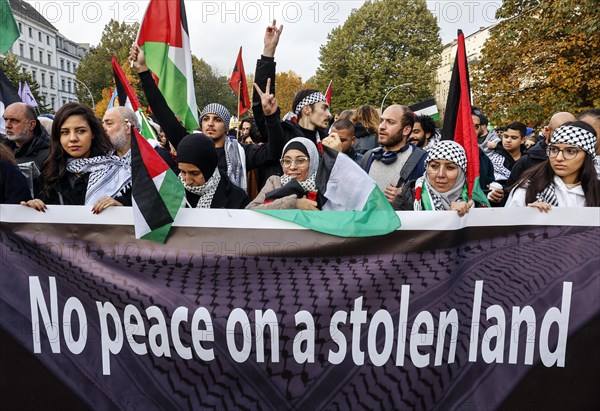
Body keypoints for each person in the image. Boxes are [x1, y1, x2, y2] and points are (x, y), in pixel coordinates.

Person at [131, 44, 284, 193]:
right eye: (206, 119)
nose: (210, 123)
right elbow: (162, 111)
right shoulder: (189, 145)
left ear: (225, 126)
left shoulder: (242, 153)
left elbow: (275, 151)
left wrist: (270, 116)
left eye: (217, 120)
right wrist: (143, 71)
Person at [20, 102, 131, 213]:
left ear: (93, 133)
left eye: (81, 131)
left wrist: (123, 206)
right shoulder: (48, 173)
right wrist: (32, 207)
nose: (73, 138)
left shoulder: (121, 173)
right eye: (65, 132)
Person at [252, 21, 331, 149]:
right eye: (324, 108)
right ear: (306, 109)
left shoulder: (327, 141)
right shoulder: (284, 134)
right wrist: (268, 51)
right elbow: (263, 103)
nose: (329, 114)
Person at [506, 122, 600, 210]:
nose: (559, 158)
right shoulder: (528, 189)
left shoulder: (595, 190)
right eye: (554, 149)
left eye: (570, 151)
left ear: (587, 156)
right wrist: (527, 217)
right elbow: (507, 224)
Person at [359, 104, 427, 209]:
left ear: (406, 130)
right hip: (368, 224)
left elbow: (432, 200)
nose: (381, 126)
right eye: (381, 121)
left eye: (390, 122)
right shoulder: (368, 157)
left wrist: (406, 198)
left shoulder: (422, 160)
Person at [394, 140, 476, 216]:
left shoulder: (476, 199)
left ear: (461, 172)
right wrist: (449, 216)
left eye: (450, 168)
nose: (440, 174)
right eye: (434, 166)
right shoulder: (407, 197)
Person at [177, 133, 249, 209]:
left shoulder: (237, 199)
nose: (188, 181)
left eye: (195, 173)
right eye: (183, 172)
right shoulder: (170, 193)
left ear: (209, 169)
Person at [246, 137, 319, 210]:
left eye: (300, 161)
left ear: (313, 163)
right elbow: (251, 209)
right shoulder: (274, 182)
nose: (292, 167)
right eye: (287, 161)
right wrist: (293, 203)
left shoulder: (323, 186)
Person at [102, 106, 178, 173]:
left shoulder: (157, 156)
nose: (103, 129)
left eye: (109, 124)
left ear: (128, 127)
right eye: (102, 124)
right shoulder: (104, 162)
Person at [2, 102, 50, 196]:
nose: (7, 125)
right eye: (5, 120)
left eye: (14, 120)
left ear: (31, 125)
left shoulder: (51, 153)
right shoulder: (3, 152)